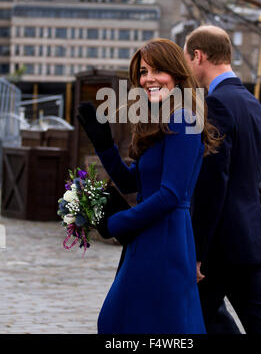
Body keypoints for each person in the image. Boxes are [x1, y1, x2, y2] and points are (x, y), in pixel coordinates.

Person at [77, 38, 220, 334]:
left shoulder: (183, 119)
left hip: (165, 238)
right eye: (143, 72)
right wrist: (104, 146)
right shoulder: (161, 119)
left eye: (158, 70)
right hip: (149, 235)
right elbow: (132, 182)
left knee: (143, 323)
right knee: (128, 322)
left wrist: (117, 223)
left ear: (177, 75)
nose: (148, 79)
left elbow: (170, 195)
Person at [184, 25, 261, 334]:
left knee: (194, 320)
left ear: (199, 56)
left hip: (219, 243)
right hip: (249, 235)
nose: (187, 66)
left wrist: (197, 251)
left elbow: (214, 183)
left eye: (187, 58)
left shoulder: (217, 104)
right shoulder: (252, 103)